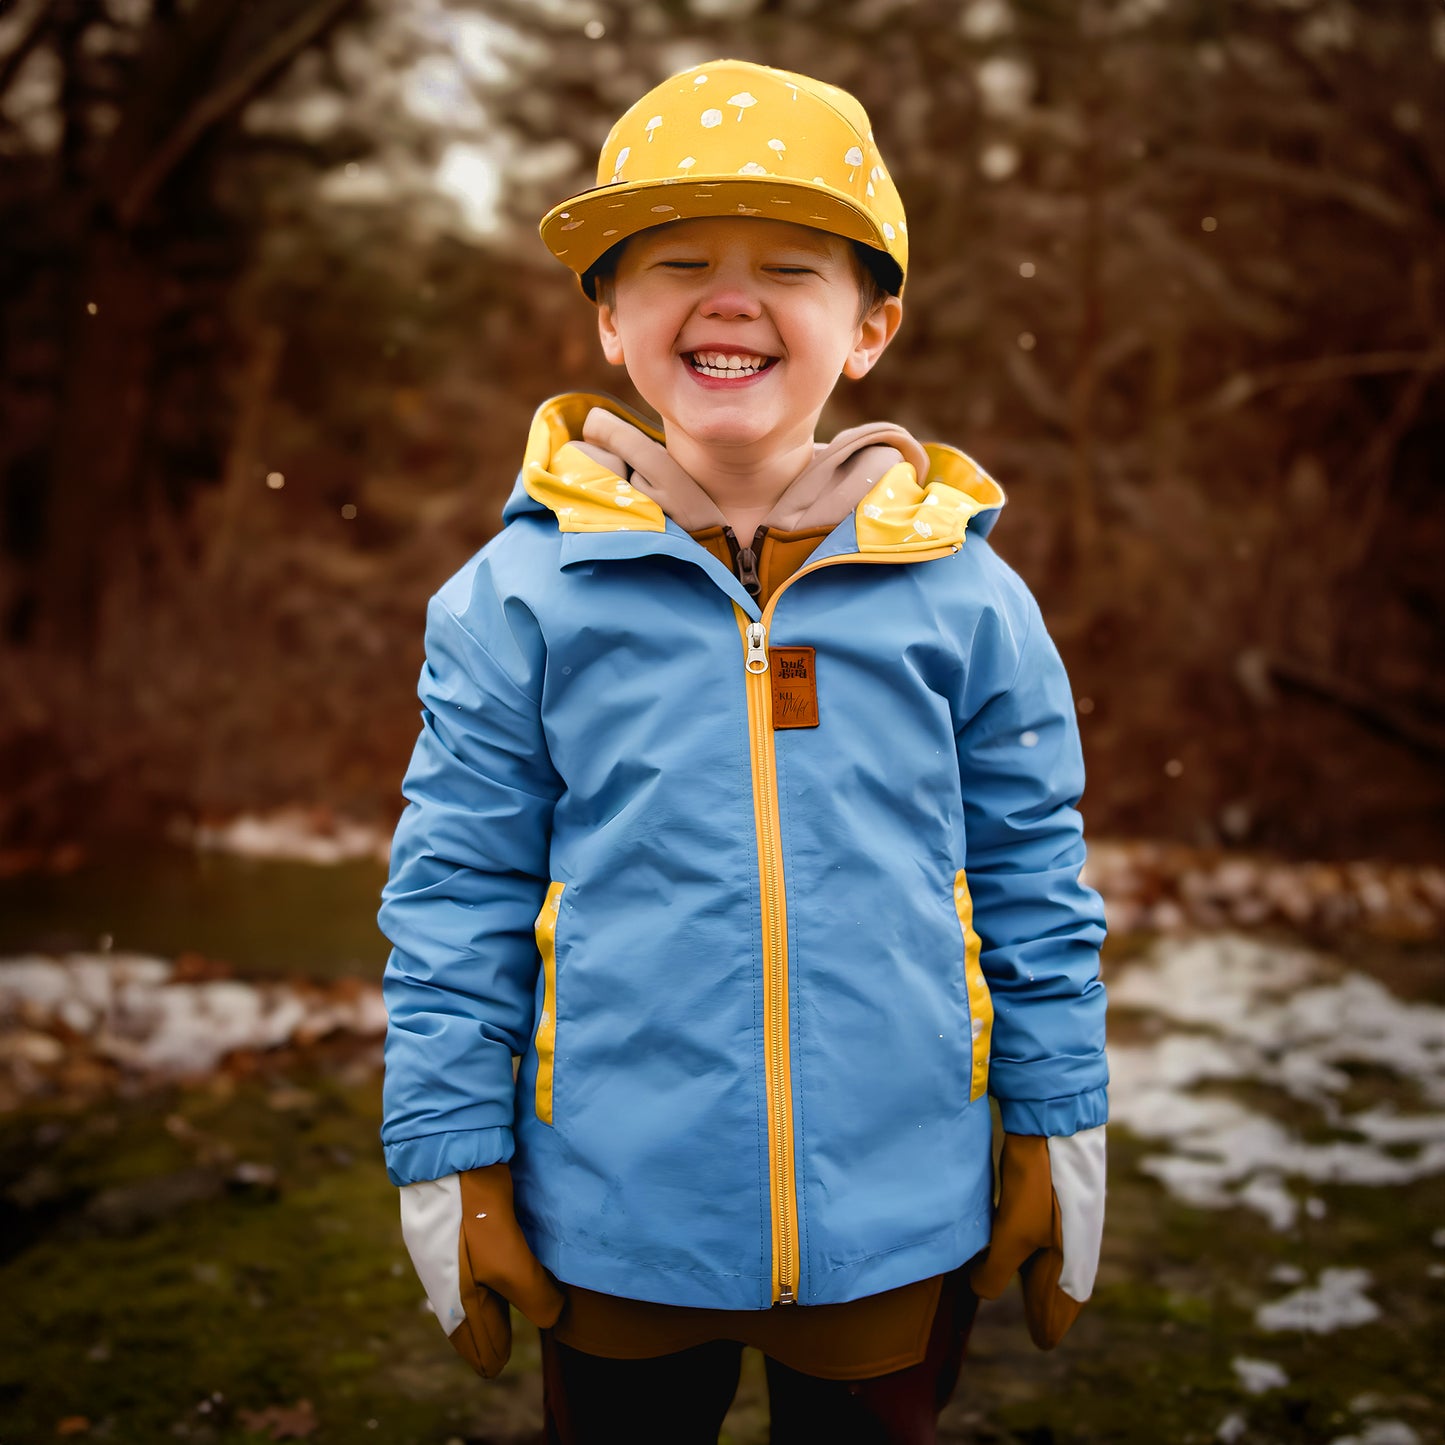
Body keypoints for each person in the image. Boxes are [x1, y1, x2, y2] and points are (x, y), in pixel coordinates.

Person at [379, 58, 1108, 1445]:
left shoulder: (963, 593)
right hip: (611, 1209)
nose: (729, 295)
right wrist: (450, 1152)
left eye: (788, 262)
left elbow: (1030, 870)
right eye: (672, 263)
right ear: (609, 320)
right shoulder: (514, 599)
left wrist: (1055, 1110)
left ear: (869, 329)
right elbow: (454, 896)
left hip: (897, 1213)